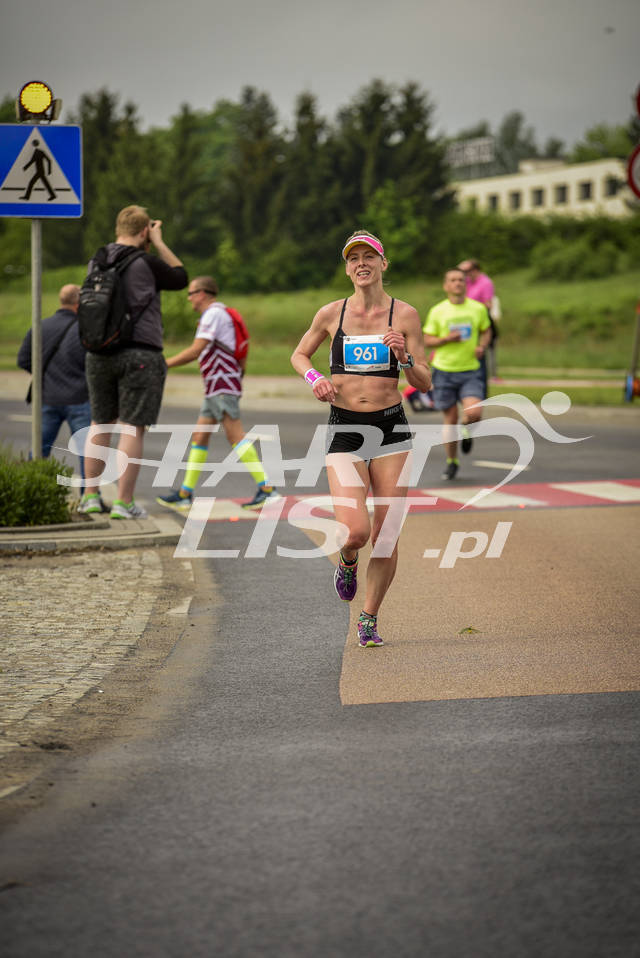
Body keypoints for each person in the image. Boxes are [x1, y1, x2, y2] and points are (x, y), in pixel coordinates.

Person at [291, 230, 430, 649]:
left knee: (387, 535)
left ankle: (368, 618)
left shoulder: (404, 315)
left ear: (383, 264)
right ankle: (347, 561)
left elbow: (424, 382)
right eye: (353, 258)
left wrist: (404, 356)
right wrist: (314, 377)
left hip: (392, 429)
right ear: (347, 267)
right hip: (345, 427)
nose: (361, 263)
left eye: (369, 256)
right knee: (355, 531)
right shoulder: (331, 313)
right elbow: (299, 355)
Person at [79, 205, 188, 518]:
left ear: (117, 228)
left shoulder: (96, 260)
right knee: (132, 428)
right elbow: (180, 277)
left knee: (99, 423)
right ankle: (124, 503)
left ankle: (90, 495)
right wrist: (159, 241)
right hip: (140, 352)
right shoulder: (147, 261)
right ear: (145, 231)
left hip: (98, 352)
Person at [156, 277, 279, 511]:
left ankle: (267, 489)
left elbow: (196, 349)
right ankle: (185, 493)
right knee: (200, 436)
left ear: (203, 293)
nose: (189, 297)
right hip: (217, 386)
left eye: (191, 293)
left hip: (221, 385)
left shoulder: (212, 315)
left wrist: (165, 364)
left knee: (235, 435)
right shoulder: (219, 315)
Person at [17, 283, 93, 485]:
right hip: (80, 398)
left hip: (47, 397)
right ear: (79, 303)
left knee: (39, 449)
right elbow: (93, 364)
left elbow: (23, 360)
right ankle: (90, 498)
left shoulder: (40, 326)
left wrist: (47, 375)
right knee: (88, 452)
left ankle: (31, 491)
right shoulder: (85, 330)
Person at [424, 268, 492, 480]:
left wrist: (482, 345)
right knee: (450, 419)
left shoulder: (478, 309)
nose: (457, 283)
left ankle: (467, 430)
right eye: (452, 280)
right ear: (446, 286)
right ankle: (452, 461)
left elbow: (486, 330)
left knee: (474, 413)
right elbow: (427, 339)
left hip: (470, 370)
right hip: (443, 370)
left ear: (466, 284)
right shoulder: (438, 311)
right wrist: (446, 340)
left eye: (461, 280)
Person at [457, 258, 499, 392]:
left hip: (480, 320)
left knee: (481, 354)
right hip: (465, 320)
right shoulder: (466, 282)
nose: (462, 274)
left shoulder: (485, 282)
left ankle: (481, 388)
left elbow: (488, 304)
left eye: (465, 271)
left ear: (474, 270)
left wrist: (472, 310)